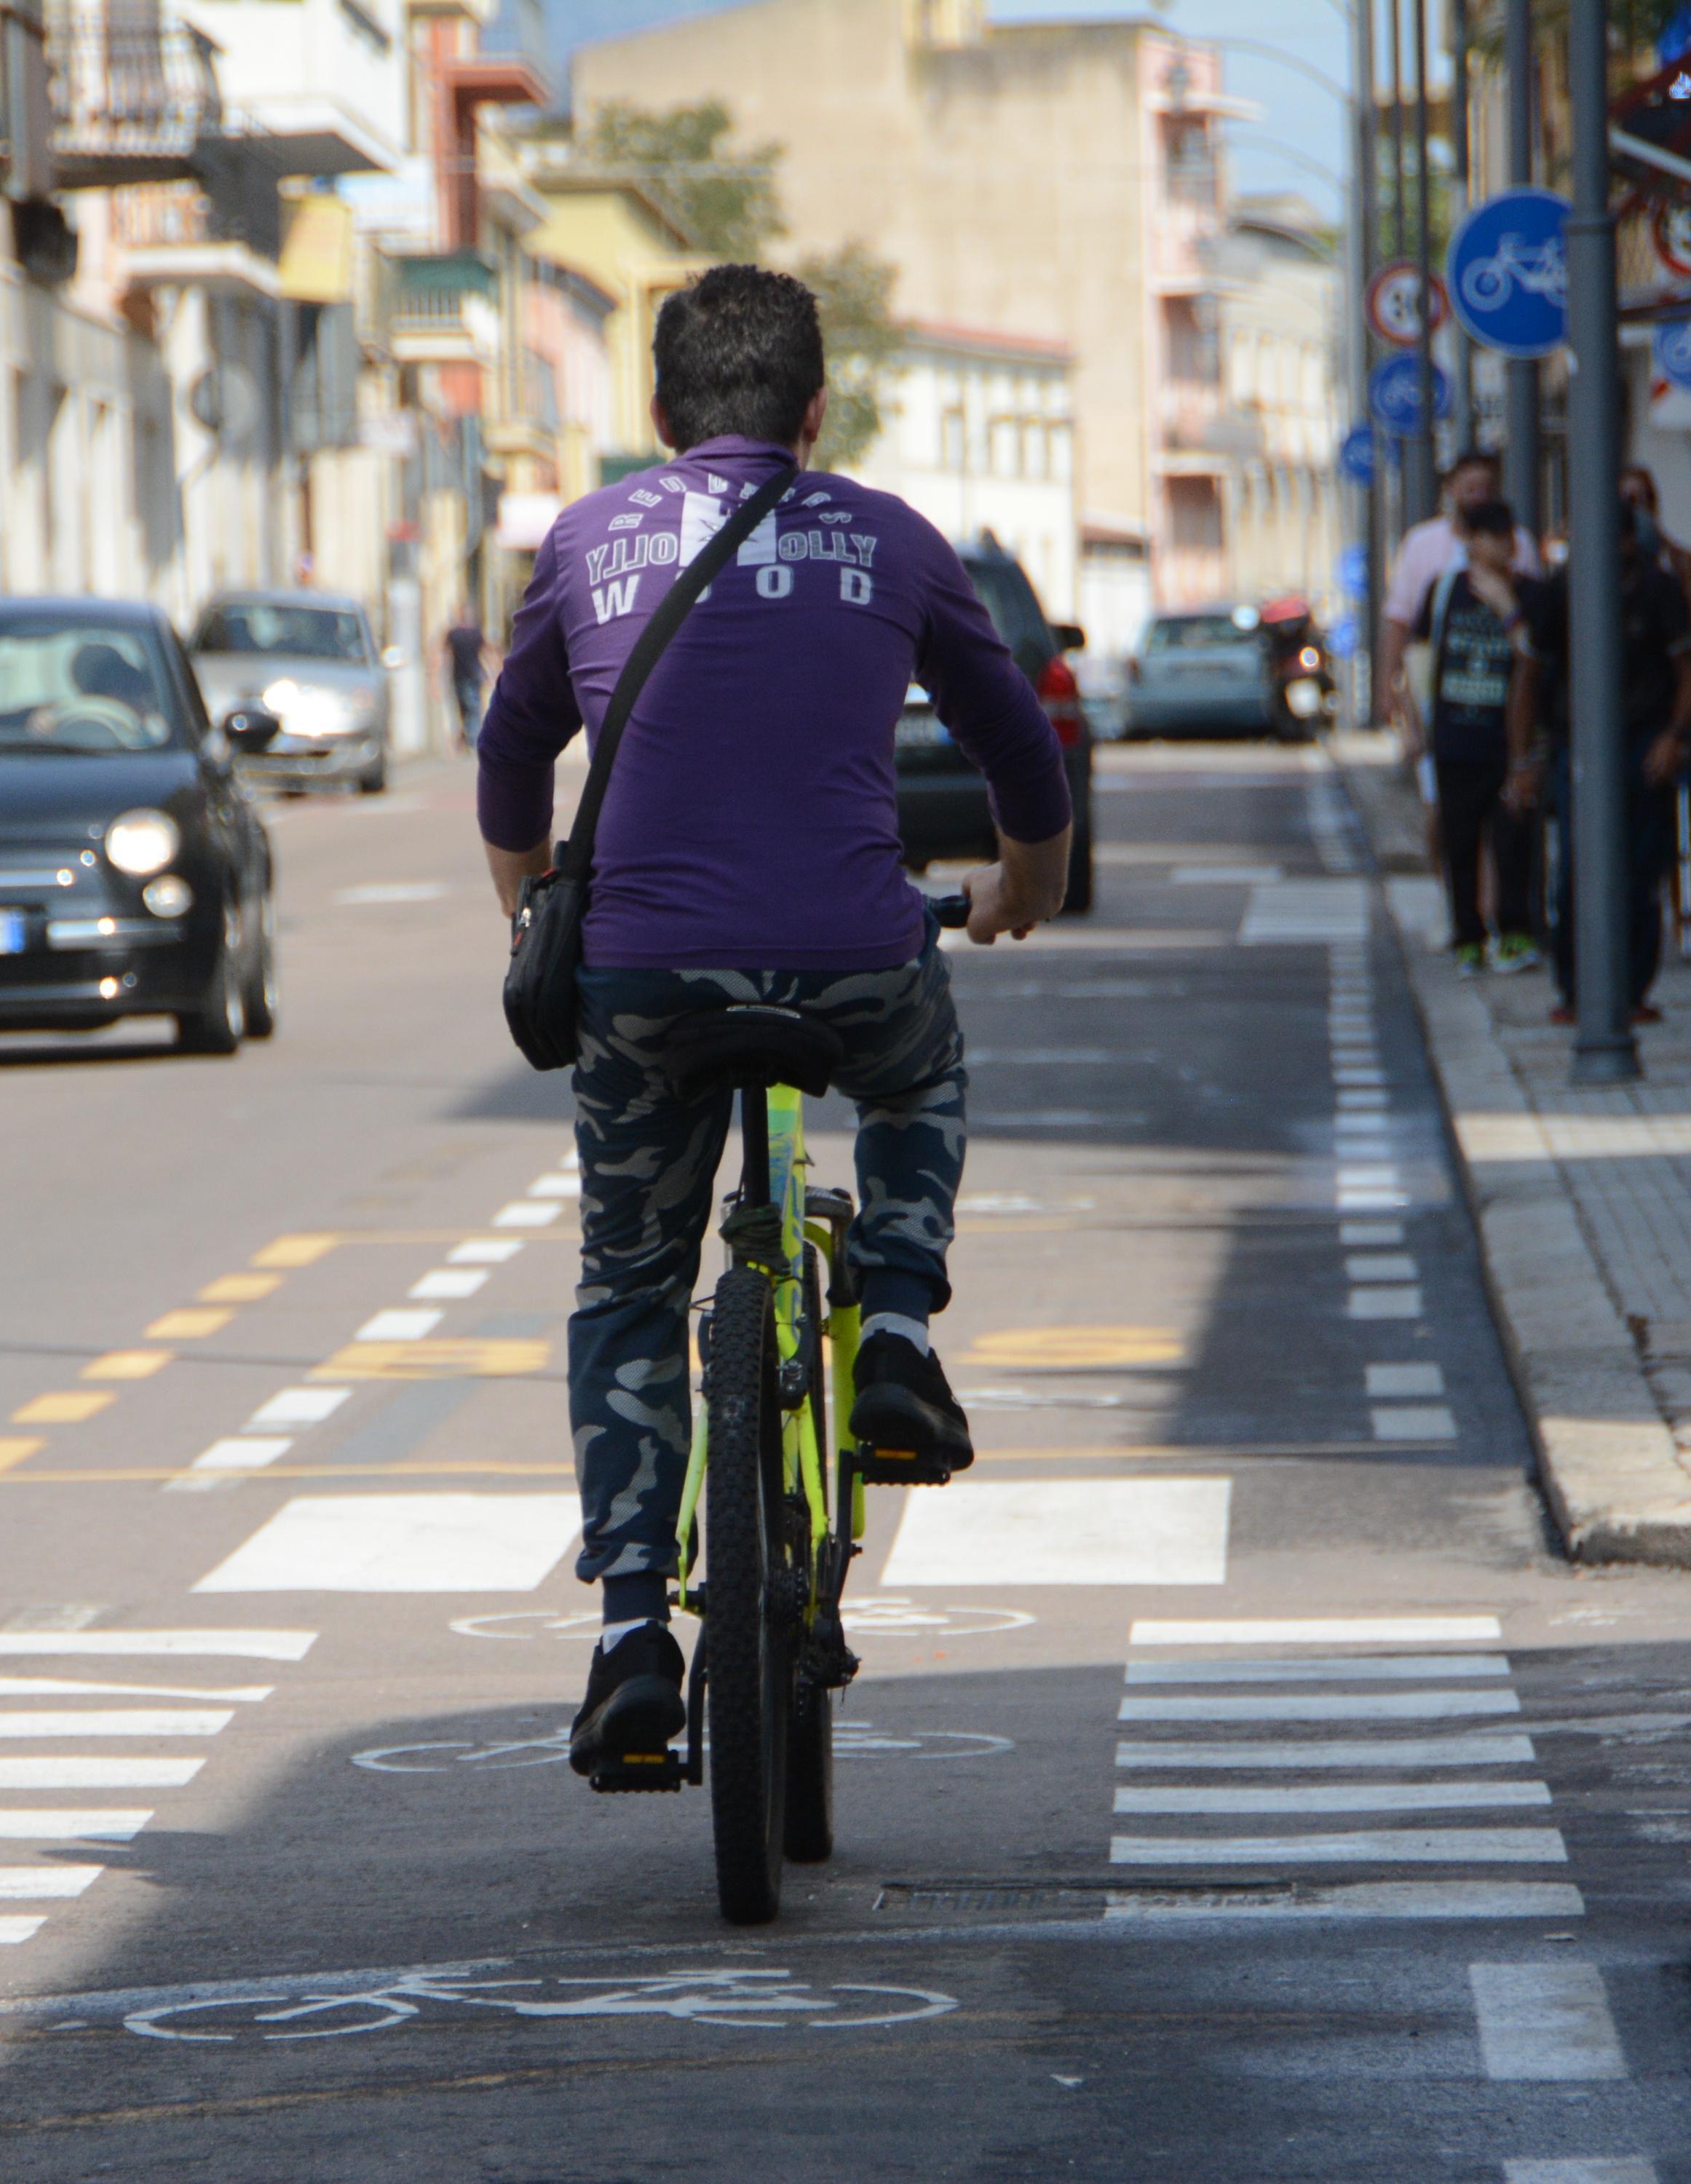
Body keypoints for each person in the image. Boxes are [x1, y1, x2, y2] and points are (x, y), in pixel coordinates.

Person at [474, 265, 1072, 1780]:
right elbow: (1023, 751)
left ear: (661, 415)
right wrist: (1020, 894)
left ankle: (626, 1638)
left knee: (627, 1283)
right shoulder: (890, 538)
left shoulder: (583, 540)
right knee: (920, 1069)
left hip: (645, 986)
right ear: (814, 412)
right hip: (853, 963)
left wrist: (535, 899)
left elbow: (508, 761)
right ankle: (887, 1326)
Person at [1513, 496, 1691, 1026]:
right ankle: (1576, 990)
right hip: (1574, 745)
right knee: (1575, 869)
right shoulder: (1561, 591)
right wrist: (1523, 759)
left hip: (1643, 742)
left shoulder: (1657, 587)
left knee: (1639, 872)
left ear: (1628, 540)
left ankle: (1632, 991)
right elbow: (1528, 679)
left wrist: (1674, 736)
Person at [1418, 499, 1542, 976]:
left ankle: (1515, 932)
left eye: (1507, 536)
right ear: (1469, 542)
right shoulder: (1444, 591)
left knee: (1513, 842)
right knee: (1460, 843)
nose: (1501, 546)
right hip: (1456, 740)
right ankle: (1467, 936)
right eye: (1489, 536)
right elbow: (1421, 653)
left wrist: (1507, 605)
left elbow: (1535, 654)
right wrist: (1416, 723)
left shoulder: (1528, 592)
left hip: (1507, 741)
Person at [1620, 464, 1691, 962]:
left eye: (1643, 499)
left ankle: (1679, 902)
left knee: (1680, 809)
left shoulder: (1679, 564)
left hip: (1672, 705)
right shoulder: (1608, 567)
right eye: (1626, 501)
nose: (1636, 510)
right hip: (1629, 711)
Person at [1377, 449, 1542, 740]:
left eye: (1486, 489)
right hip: (1445, 705)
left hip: (1505, 701)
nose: (1478, 497)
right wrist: (1391, 688)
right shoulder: (1421, 543)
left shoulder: (1521, 543)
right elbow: (1401, 621)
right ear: (1451, 489)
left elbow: (1536, 625)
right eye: (1470, 489)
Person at [444, 614, 486, 746]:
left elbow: (444, 652)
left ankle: (472, 740)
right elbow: (486, 652)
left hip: (459, 676)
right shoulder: (476, 633)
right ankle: (472, 739)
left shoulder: (453, 634)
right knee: (474, 707)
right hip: (474, 674)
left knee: (464, 709)